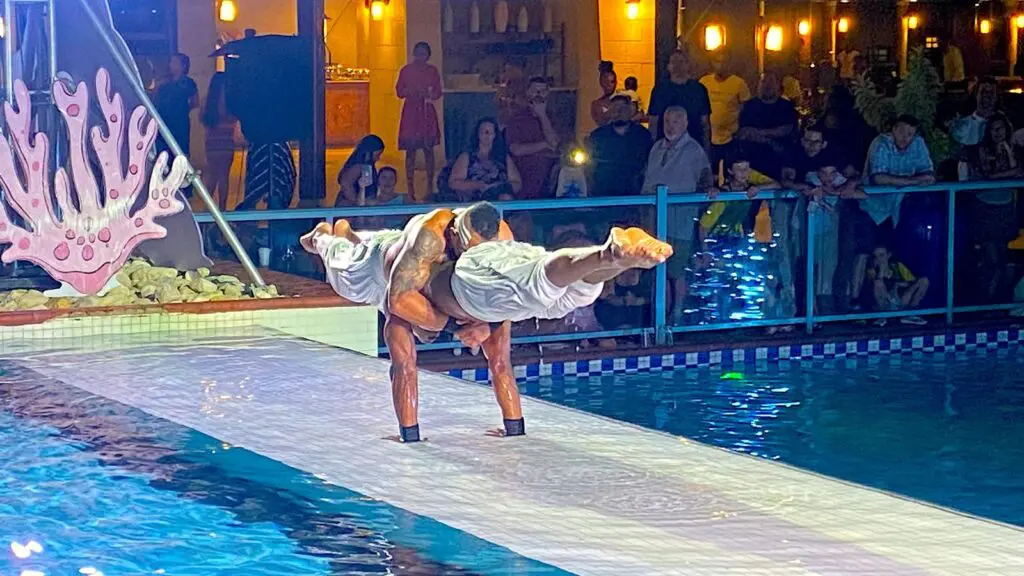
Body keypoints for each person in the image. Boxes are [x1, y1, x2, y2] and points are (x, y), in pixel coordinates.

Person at [299, 207, 672, 442]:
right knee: (342, 267)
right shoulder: (429, 235)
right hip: (376, 272)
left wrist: (480, 323)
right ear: (457, 238)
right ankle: (326, 236)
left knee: (508, 341)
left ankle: (610, 257)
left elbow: (503, 304)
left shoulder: (498, 239)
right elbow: (398, 300)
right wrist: (454, 325)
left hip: (441, 294)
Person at [641, 106, 714, 323]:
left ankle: (677, 314)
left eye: (675, 122)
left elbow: (705, 178)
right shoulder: (657, 148)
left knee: (677, 270)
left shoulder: (693, 150)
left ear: (685, 124)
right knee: (657, 268)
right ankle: (659, 315)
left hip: (681, 218)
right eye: (667, 121)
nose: (670, 126)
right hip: (655, 217)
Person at [970, 113, 1020, 302]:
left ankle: (998, 299)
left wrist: (1008, 152)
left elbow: (1018, 171)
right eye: (994, 129)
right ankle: (986, 300)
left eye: (1001, 128)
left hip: (1005, 208)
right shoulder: (983, 149)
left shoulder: (1012, 148)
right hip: (985, 208)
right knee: (990, 257)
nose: (998, 132)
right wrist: (1005, 175)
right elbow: (987, 174)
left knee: (1002, 257)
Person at [396, 42, 442, 201]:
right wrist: (409, 91)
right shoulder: (406, 70)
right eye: (418, 53)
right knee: (410, 151)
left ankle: (430, 186)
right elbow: (399, 91)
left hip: (426, 112)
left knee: (429, 150)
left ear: (428, 55)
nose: (420, 57)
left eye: (423, 54)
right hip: (411, 113)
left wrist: (428, 94)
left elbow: (438, 92)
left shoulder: (432, 71)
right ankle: (410, 189)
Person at [587, 95, 653, 197]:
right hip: (603, 192)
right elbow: (590, 165)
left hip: (633, 193)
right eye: (614, 109)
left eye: (622, 109)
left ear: (630, 111)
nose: (618, 112)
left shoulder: (642, 135)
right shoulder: (598, 136)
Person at [736, 70, 797, 180]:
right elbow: (744, 132)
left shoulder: (786, 107)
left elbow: (786, 130)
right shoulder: (749, 106)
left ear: (778, 86)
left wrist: (758, 132)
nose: (767, 85)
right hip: (752, 162)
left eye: (771, 81)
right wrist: (770, 139)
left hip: (779, 162)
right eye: (764, 81)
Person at [506, 77, 560, 200]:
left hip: (550, 182)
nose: (538, 94)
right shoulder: (517, 119)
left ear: (548, 93)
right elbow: (516, 149)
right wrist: (545, 144)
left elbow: (555, 143)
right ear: (527, 92)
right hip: (524, 178)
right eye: (535, 90)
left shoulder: (554, 118)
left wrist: (542, 115)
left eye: (542, 91)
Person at [699, 49, 751, 171]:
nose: (721, 65)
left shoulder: (739, 83)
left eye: (724, 62)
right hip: (708, 138)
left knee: (730, 171)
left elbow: (747, 110)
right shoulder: (704, 82)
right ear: (712, 63)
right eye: (718, 61)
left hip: (731, 138)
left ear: (730, 63)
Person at [447, 117, 522, 202]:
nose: (487, 135)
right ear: (477, 134)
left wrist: (500, 188)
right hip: (473, 203)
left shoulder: (504, 157)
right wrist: (477, 185)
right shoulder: (466, 156)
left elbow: (517, 183)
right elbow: (453, 183)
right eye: (484, 132)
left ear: (495, 135)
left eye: (490, 132)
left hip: (499, 202)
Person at [648, 49, 711, 149]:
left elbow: (705, 123)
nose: (678, 66)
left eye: (681, 62)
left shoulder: (699, 90)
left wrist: (706, 149)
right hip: (666, 147)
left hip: (693, 146)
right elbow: (653, 122)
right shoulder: (659, 90)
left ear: (688, 65)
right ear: (668, 66)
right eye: (674, 62)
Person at [201, 71, 238, 212]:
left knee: (212, 175)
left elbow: (201, 118)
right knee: (224, 176)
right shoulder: (229, 102)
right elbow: (234, 118)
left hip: (211, 142)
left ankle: (207, 207)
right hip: (226, 142)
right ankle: (222, 207)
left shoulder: (208, 101)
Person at [866, 245, 929, 325]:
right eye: (875, 256)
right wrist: (881, 271)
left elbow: (912, 281)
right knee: (878, 283)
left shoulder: (897, 266)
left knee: (923, 281)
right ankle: (882, 316)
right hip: (884, 304)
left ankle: (911, 313)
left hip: (900, 300)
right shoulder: (871, 270)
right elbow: (874, 288)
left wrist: (900, 284)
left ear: (888, 255)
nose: (879, 259)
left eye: (881, 255)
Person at [154, 53, 199, 160]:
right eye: (171, 62)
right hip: (163, 122)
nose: (172, 65)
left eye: (175, 62)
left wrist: (182, 109)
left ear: (183, 66)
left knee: (180, 150)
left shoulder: (188, 83)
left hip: (180, 123)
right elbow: (155, 99)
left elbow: (195, 101)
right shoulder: (164, 83)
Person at [335, 135, 385, 207]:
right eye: (377, 155)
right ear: (369, 152)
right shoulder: (358, 166)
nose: (378, 158)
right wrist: (357, 203)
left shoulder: (365, 166)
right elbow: (346, 185)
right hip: (350, 207)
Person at [590, 61, 618, 126]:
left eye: (612, 82)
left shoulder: (622, 100)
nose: (609, 85)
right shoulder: (596, 104)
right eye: (606, 82)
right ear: (601, 82)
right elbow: (601, 121)